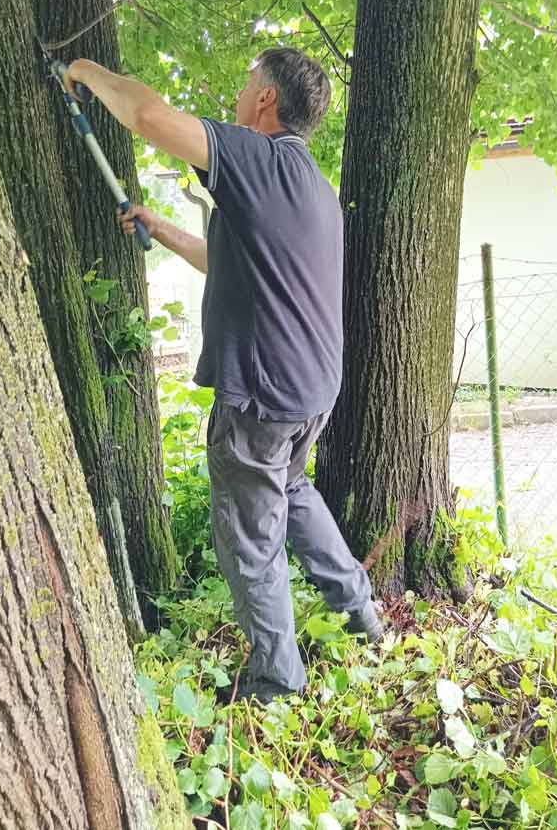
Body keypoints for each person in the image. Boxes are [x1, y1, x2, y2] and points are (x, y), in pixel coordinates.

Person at [64, 47, 383, 703]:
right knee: (291, 490)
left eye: (246, 83)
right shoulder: (309, 185)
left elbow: (149, 117)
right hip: (311, 388)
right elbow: (235, 263)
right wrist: (162, 228)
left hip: (263, 395)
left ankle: (277, 684)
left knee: (250, 538)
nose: (240, 95)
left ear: (266, 98)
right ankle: (361, 615)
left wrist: (87, 73)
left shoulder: (256, 157)